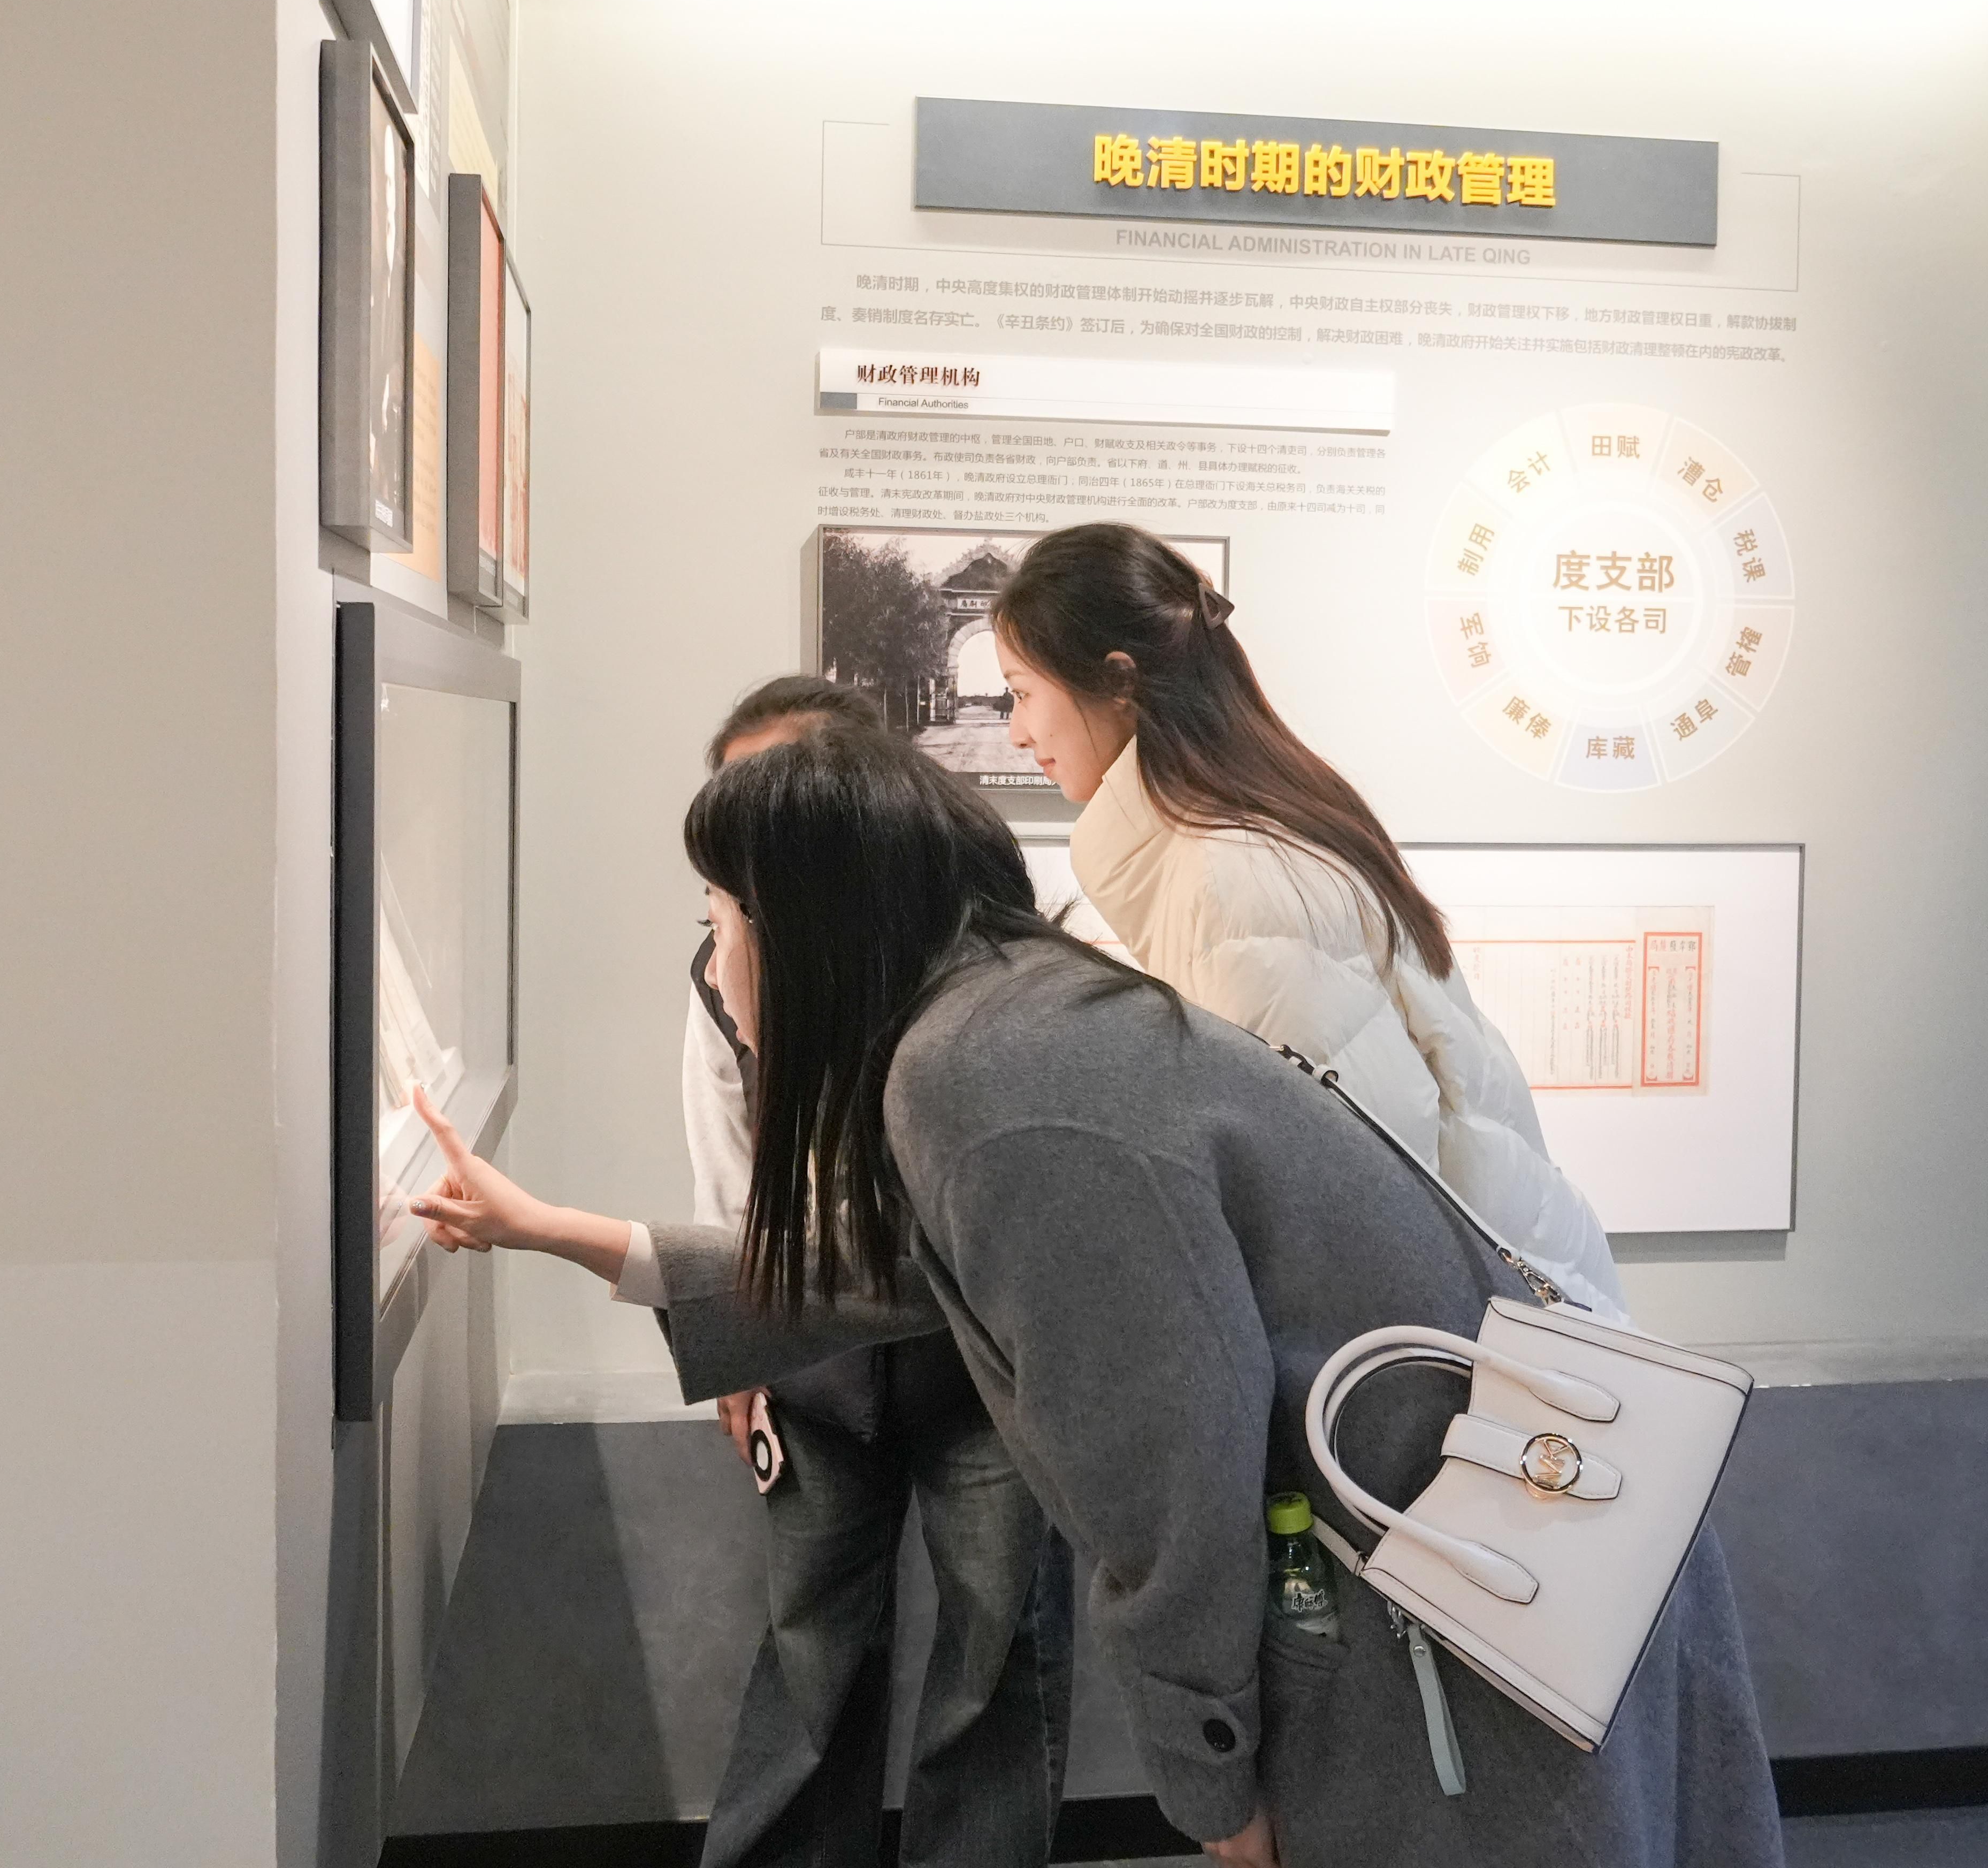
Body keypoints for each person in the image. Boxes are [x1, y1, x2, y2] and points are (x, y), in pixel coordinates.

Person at [410, 728, 1783, 1868]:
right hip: (1501, 1531)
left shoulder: (983, 1083)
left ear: (804, 923)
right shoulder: (1006, 1014)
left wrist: (1211, 1779)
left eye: (718, 915)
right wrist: (561, 1234)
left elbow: (1160, 1465)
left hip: (1465, 1594)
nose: (714, 960)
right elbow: (911, 1271)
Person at [514, 676, 1073, 1868]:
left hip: (983, 1363)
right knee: (811, 1642)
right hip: (815, 1361)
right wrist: (745, 1346)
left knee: (998, 1650)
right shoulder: (727, 968)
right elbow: (729, 1163)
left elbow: (963, 1236)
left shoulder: (979, 978)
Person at [990, 522, 1628, 1317]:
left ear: (1118, 680)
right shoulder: (1244, 833)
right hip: (1494, 1300)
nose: (1017, 731)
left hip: (1470, 1334)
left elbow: (1345, 1196)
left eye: (1022, 692)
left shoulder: (1234, 876)